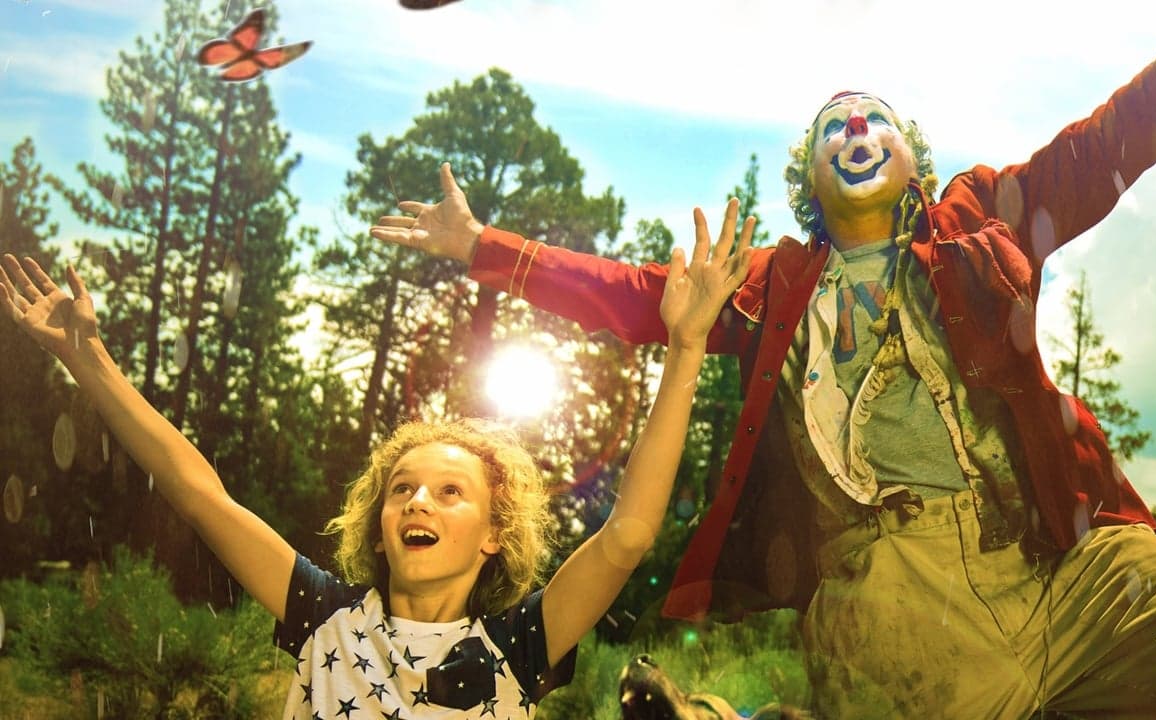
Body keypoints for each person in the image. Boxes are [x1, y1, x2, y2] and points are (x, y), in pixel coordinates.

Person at [371, 1, 1156, 717]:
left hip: (1071, 567)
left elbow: (1116, 138)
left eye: (875, 122)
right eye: (833, 128)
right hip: (897, 601)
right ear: (810, 178)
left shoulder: (983, 218)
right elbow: (631, 294)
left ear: (912, 164)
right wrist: (484, 246)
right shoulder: (770, 285)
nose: (854, 131)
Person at [0, 200, 754, 719]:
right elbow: (201, 495)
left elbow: (627, 533)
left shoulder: (520, 647)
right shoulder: (323, 619)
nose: (419, 502)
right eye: (403, 489)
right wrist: (89, 360)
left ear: (496, 532)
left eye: (450, 492)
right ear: (380, 516)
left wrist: (686, 346)